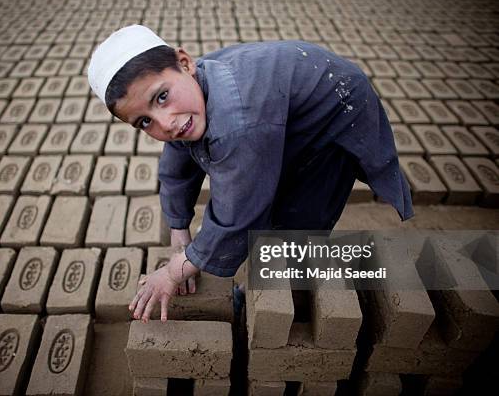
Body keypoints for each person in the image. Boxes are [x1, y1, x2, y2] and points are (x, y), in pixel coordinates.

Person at [87, 25, 414, 323]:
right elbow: (176, 169)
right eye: (144, 122)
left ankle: (284, 297)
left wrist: (175, 271)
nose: (165, 122)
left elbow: (239, 214)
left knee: (296, 219)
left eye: (161, 97)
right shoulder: (189, 92)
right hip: (280, 106)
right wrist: (179, 231)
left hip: (335, 104)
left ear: (185, 63)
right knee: (258, 174)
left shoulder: (236, 123)